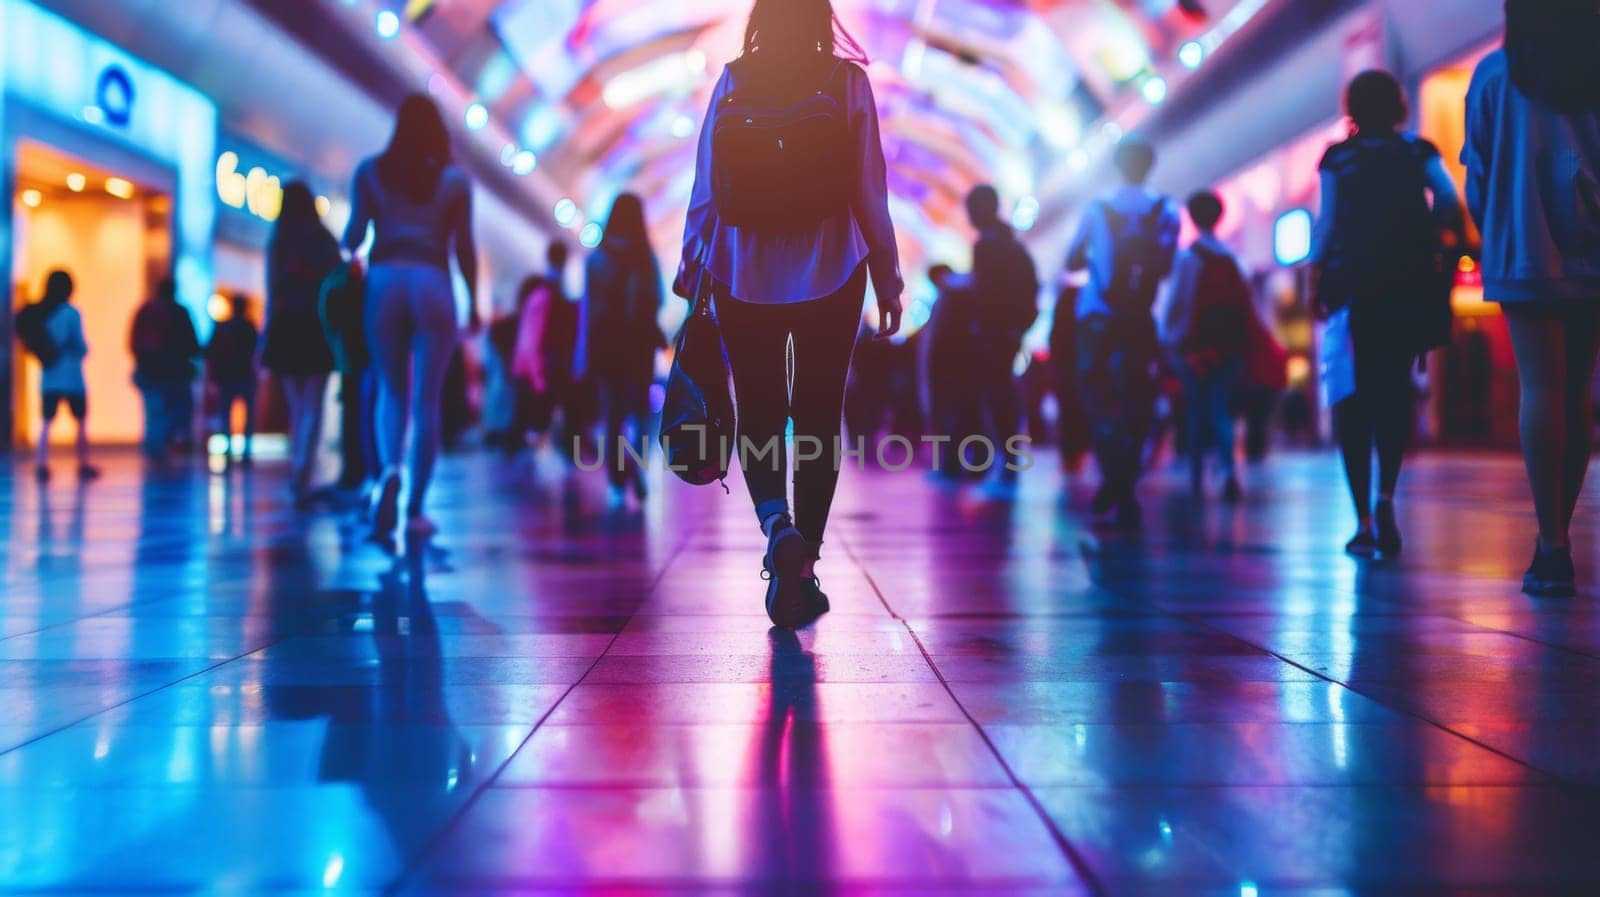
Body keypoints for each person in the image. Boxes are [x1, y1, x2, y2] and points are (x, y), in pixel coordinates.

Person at [677, 0, 902, 630]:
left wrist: (693, 267)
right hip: (833, 264)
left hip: (742, 266)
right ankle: (805, 562)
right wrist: (886, 276)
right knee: (819, 413)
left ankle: (776, 524)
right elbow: (869, 187)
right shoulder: (846, 82)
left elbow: (707, 186)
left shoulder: (733, 79)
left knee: (759, 407)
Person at [1463, 0, 1600, 596]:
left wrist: (1495, 229)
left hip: (1525, 248)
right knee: (1577, 392)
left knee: (1540, 387)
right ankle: (1560, 527)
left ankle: (1552, 543)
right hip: (1593, 252)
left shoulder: (1495, 74)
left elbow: (1478, 176)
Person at [1311, 70, 1463, 559]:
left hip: (1352, 291)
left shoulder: (1338, 158)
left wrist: (1317, 277)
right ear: (1398, 104)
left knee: (1352, 401)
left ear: (1352, 106)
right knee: (1394, 394)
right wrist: (1429, 241)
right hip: (1404, 289)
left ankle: (1362, 522)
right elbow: (1449, 199)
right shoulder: (1418, 151)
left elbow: (1327, 223)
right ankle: (1387, 497)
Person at [344, 93, 479, 545]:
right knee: (427, 400)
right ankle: (417, 507)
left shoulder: (370, 172)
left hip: (384, 279)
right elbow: (464, 250)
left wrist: (351, 253)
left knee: (391, 388)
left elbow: (354, 236)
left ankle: (390, 473)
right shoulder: (454, 182)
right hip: (432, 281)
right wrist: (473, 302)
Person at [1064, 138, 1181, 528]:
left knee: (1095, 396)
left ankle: (1112, 473)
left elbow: (1072, 258)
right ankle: (1125, 477)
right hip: (1138, 317)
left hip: (1097, 315)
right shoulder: (1166, 210)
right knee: (1138, 400)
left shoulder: (1097, 208)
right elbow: (1165, 267)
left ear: (1117, 165)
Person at [1161, 190, 1253, 502]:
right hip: (1227, 348)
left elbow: (1177, 305)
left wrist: (1170, 341)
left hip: (1195, 348)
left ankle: (1197, 478)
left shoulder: (1188, 258)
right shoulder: (1231, 258)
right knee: (1220, 408)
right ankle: (1228, 471)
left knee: (1196, 409)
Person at [585, 193, 664, 509]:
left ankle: (617, 479)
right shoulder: (646, 257)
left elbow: (590, 309)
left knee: (613, 415)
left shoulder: (598, 258)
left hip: (608, 345)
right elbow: (657, 298)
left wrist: (584, 354)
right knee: (640, 412)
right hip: (640, 344)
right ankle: (637, 467)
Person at [265, 182, 341, 505]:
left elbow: (273, 291)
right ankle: (303, 469)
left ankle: (300, 466)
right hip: (317, 327)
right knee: (313, 404)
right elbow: (338, 280)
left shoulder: (280, 239)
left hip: (286, 327)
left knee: (296, 407)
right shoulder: (323, 238)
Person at [966, 185, 1041, 496]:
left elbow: (984, 293)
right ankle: (1007, 460)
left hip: (993, 331)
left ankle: (1005, 461)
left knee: (997, 397)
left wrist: (981, 325)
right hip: (1008, 331)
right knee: (1004, 396)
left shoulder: (988, 245)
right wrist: (1020, 327)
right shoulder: (1011, 242)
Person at [26, 270, 99, 483]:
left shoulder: (41, 313)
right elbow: (80, 344)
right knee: (81, 421)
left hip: (49, 376)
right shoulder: (71, 313)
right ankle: (83, 463)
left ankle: (41, 463)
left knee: (46, 422)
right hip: (72, 376)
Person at [129, 277, 201, 463]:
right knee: (176, 412)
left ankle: (154, 449)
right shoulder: (180, 312)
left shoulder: (146, 311)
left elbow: (133, 341)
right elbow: (191, 343)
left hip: (150, 372)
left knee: (154, 413)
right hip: (175, 372)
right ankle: (163, 447)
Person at [922, 264, 981, 480]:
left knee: (953, 416)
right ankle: (969, 462)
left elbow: (937, 341)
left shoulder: (950, 296)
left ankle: (954, 464)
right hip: (962, 367)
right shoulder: (960, 292)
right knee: (966, 416)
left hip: (949, 369)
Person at [207, 294, 260, 467]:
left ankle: (229, 450)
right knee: (248, 416)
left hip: (228, 376)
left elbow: (211, 351)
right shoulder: (249, 327)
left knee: (225, 415)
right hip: (244, 375)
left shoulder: (223, 327)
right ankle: (246, 451)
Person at [1047, 282, 1091, 473]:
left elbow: (1055, 337)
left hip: (1067, 368)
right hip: (1077, 368)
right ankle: (1075, 453)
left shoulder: (1067, 298)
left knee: (1069, 411)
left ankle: (1071, 454)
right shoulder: (1085, 299)